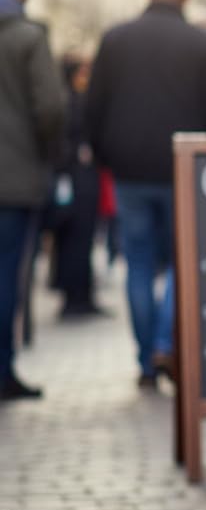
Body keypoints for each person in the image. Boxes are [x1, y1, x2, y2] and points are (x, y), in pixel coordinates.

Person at [85, 0, 206, 388]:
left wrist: (104, 157)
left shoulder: (115, 39)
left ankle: (146, 360)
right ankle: (166, 342)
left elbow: (93, 107)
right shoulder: (201, 44)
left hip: (129, 170)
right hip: (185, 172)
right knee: (182, 260)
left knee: (138, 263)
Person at [0, 0, 65, 401]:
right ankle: (2, 371)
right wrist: (44, 151)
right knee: (6, 276)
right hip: (13, 179)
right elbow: (51, 108)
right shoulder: (26, 36)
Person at [51, 55, 105, 319]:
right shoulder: (72, 102)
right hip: (77, 181)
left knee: (76, 240)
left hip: (73, 181)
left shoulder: (68, 99)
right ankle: (76, 297)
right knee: (77, 240)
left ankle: (79, 295)